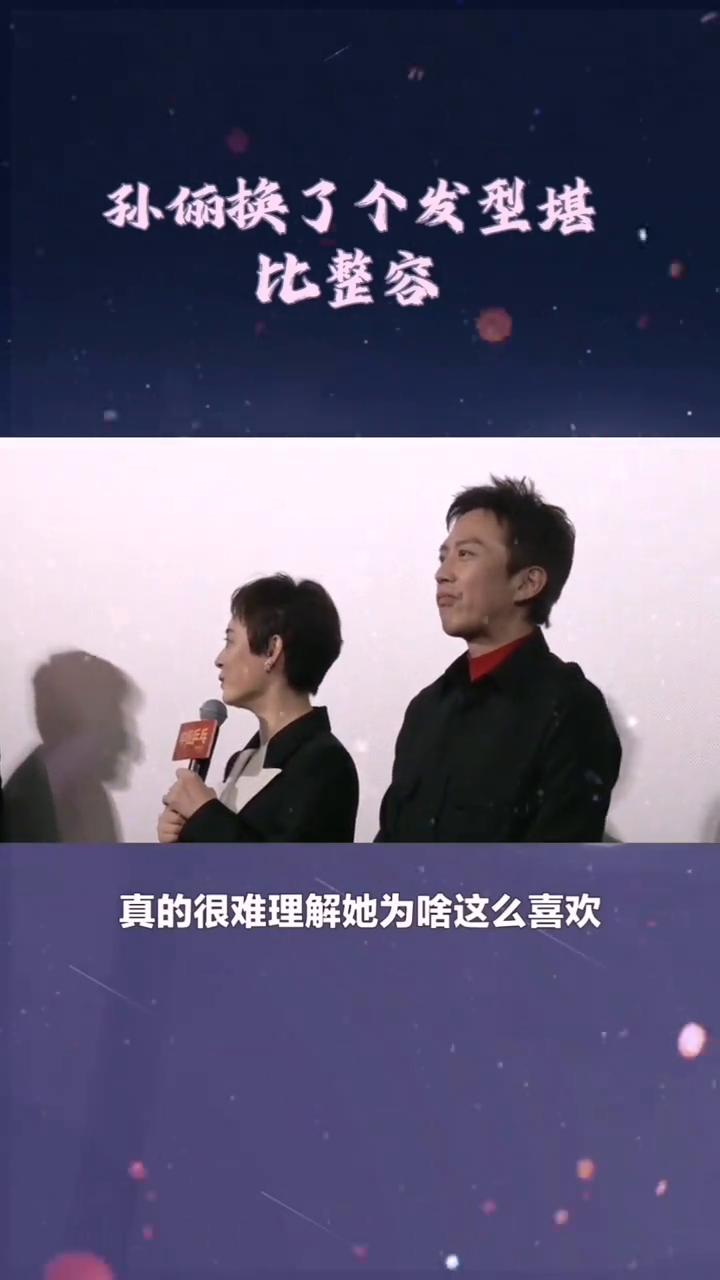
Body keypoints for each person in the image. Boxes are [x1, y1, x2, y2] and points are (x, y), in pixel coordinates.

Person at [376, 477, 622, 843]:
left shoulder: (570, 708)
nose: (443, 574)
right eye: (443, 557)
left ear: (527, 583)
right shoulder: (426, 709)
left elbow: (557, 866)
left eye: (466, 555)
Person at [159, 574, 358, 842]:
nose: (219, 660)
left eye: (230, 642)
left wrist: (204, 816)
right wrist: (185, 835)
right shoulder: (242, 760)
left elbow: (291, 867)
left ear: (273, 650)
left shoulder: (325, 764)